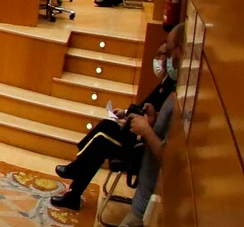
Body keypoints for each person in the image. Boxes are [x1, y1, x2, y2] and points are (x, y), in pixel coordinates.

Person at [68, 28, 183, 227]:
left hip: (150, 198)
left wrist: (146, 130)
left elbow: (171, 155)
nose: (165, 58)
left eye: (169, 51)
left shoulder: (185, 97)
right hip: (146, 188)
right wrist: (152, 116)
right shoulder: (175, 89)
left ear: (182, 51)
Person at [53, 27, 181, 211]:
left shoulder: (172, 87)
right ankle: (74, 185)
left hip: (143, 145)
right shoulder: (166, 81)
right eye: (159, 55)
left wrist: (141, 122)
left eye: (165, 54)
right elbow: (146, 109)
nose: (161, 60)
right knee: (104, 130)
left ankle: (76, 171)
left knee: (101, 141)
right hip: (139, 133)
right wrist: (127, 114)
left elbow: (157, 122)